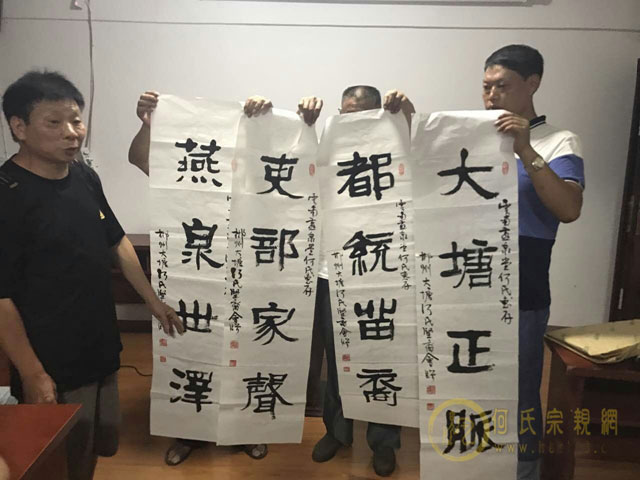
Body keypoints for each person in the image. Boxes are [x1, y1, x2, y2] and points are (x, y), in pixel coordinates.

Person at [0, 70, 184, 480]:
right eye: (54, 122)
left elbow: (115, 240)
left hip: (99, 341)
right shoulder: (7, 195)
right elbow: (2, 297)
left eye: (76, 121)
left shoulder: (83, 175)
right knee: (58, 456)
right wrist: (32, 372)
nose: (72, 133)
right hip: (51, 356)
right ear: (19, 127)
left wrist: (153, 303)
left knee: (95, 444)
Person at [128, 91, 272, 465]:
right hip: (195, 278)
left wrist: (270, 122)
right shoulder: (188, 173)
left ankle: (246, 431)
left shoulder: (257, 172)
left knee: (245, 357)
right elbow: (140, 158)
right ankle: (189, 432)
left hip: (246, 280)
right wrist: (148, 125)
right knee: (194, 352)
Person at [298, 86, 415, 477]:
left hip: (383, 273)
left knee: (383, 356)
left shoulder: (395, 147)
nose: (354, 121)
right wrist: (304, 126)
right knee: (338, 357)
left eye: (363, 114)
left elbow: (423, 154)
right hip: (332, 273)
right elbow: (296, 169)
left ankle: (384, 441)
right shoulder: (328, 146)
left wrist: (404, 114)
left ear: (380, 113)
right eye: (347, 114)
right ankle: (337, 431)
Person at [483, 44, 585, 480]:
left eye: (501, 86)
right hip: (466, 281)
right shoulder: (473, 136)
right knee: (465, 379)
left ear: (532, 83)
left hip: (523, 286)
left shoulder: (559, 140)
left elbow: (569, 208)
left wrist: (526, 149)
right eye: (486, 87)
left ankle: (524, 470)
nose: (491, 96)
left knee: (520, 387)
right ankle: (470, 463)